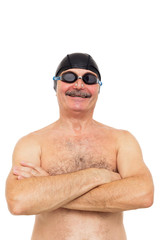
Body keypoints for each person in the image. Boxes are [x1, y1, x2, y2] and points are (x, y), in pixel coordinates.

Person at [6, 53, 154, 240]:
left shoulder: (121, 140)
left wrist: (50, 191)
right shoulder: (32, 142)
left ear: (98, 89)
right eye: (69, 77)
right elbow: (18, 201)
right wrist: (97, 175)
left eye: (89, 79)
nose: (79, 85)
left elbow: (143, 194)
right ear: (56, 84)